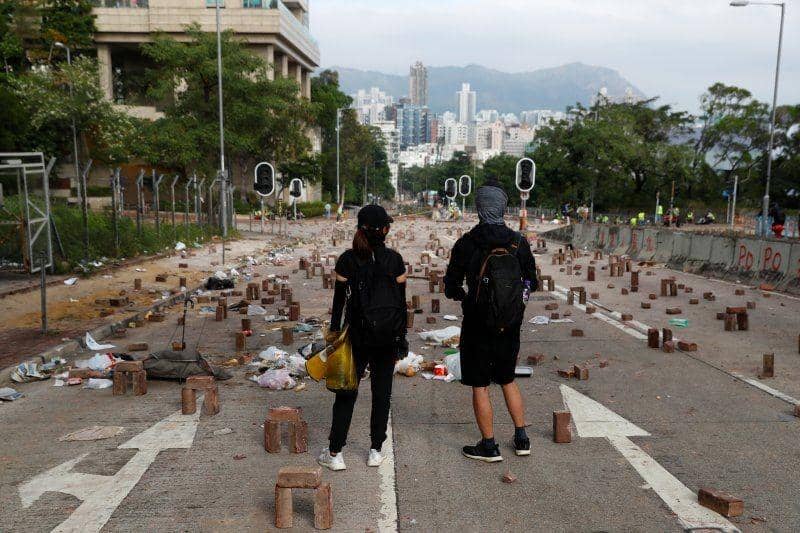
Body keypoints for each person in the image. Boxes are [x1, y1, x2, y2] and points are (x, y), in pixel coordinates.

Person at [444, 180, 538, 462]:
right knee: (508, 379)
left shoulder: (467, 243)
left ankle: (489, 445)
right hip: (510, 324)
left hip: (477, 324)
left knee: (480, 384)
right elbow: (531, 281)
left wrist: (465, 296)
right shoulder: (518, 242)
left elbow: (451, 286)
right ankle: (522, 437)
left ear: (479, 208)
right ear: (503, 208)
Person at [318, 205, 408, 471]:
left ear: (360, 229)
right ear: (385, 230)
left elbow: (338, 306)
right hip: (388, 338)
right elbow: (401, 306)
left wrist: (334, 337)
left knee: (346, 393)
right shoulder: (395, 260)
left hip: (356, 337)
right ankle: (375, 451)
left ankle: (335, 453)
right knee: (382, 394)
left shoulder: (347, 260)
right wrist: (401, 337)